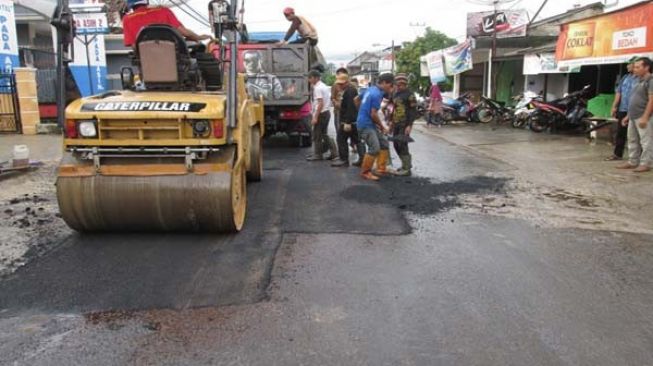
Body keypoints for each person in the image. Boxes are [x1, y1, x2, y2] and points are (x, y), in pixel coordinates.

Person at [122, 0, 212, 47]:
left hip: (146, 64)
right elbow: (184, 33)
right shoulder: (163, 11)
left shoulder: (127, 19)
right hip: (173, 59)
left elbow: (134, 46)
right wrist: (198, 37)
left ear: (130, 5)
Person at [617, 57, 653, 173]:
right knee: (632, 140)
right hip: (633, 116)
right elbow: (633, 99)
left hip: (643, 116)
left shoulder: (650, 81)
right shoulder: (636, 80)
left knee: (646, 141)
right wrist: (627, 116)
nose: (635, 69)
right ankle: (633, 161)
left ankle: (646, 163)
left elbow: (651, 100)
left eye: (638, 67)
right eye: (635, 67)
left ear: (646, 67)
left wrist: (645, 117)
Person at [357, 73, 395, 181]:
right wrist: (382, 127)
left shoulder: (370, 89)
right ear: (383, 83)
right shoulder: (377, 94)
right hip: (366, 125)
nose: (391, 88)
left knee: (384, 143)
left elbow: (356, 99)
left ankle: (381, 168)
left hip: (368, 123)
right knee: (374, 148)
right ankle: (365, 172)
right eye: (390, 85)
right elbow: (373, 114)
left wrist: (361, 112)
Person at [607, 57, 638, 161]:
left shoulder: (640, 79)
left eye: (630, 64)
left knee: (636, 135)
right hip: (623, 109)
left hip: (635, 110)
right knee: (620, 133)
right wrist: (614, 106)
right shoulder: (625, 77)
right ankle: (617, 154)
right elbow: (618, 93)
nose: (627, 66)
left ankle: (637, 158)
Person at [332, 73, 364, 167]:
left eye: (341, 84)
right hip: (352, 120)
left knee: (341, 139)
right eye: (339, 84)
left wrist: (347, 122)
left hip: (349, 120)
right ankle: (362, 159)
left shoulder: (349, 91)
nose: (340, 86)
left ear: (347, 82)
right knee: (357, 139)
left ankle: (344, 160)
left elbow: (350, 108)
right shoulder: (350, 90)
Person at [388, 74, 418, 176]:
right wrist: (391, 122)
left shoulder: (410, 95)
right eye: (398, 84)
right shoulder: (395, 94)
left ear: (405, 84)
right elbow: (393, 109)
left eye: (401, 85)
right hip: (396, 122)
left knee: (402, 144)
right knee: (396, 144)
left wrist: (409, 125)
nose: (399, 86)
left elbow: (413, 111)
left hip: (405, 124)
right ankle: (403, 164)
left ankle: (407, 168)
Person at [306, 70, 338, 161]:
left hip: (321, 113)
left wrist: (315, 117)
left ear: (315, 78)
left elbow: (320, 103)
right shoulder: (323, 86)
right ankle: (334, 153)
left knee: (317, 135)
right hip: (326, 112)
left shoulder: (318, 88)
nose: (309, 80)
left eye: (310, 78)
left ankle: (318, 154)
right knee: (324, 134)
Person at [331, 68, 349, 132]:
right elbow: (332, 97)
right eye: (338, 74)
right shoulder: (335, 85)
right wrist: (335, 103)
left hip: (348, 112)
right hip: (338, 111)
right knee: (339, 130)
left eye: (341, 74)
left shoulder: (351, 86)